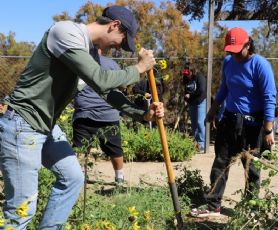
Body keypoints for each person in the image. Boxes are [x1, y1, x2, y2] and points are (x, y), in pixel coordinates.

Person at [0, 6, 164, 229]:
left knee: (72, 179)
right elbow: (101, 79)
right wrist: (139, 68)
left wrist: (143, 114)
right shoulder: (65, 32)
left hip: (45, 126)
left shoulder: (90, 52)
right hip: (23, 123)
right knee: (21, 209)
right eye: (121, 41)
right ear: (114, 25)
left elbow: (107, 92)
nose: (119, 48)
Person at [190, 27, 277, 217]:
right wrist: (213, 111)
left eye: (237, 50)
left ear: (248, 44)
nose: (233, 54)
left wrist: (269, 130)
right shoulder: (229, 62)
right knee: (220, 163)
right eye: (230, 50)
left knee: (251, 168)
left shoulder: (260, 65)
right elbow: (224, 88)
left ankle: (251, 208)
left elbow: (269, 97)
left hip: (253, 125)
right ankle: (213, 205)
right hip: (229, 120)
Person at [72, 48, 126, 186]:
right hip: (106, 113)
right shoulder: (112, 64)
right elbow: (122, 85)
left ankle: (80, 177)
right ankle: (119, 177)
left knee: (82, 148)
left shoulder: (77, 63)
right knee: (114, 148)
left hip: (85, 113)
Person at [182, 62, 207, 152]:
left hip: (200, 102)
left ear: (192, 71)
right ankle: (196, 143)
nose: (187, 75)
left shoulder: (199, 77)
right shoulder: (186, 78)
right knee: (194, 124)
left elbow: (201, 90)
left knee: (200, 122)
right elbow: (186, 90)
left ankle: (202, 144)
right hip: (191, 103)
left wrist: (190, 96)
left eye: (188, 73)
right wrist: (186, 99)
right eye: (185, 74)